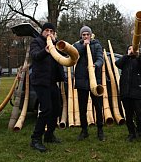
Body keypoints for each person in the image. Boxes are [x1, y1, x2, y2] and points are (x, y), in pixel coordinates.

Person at [30, 23, 65, 152]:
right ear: (42, 32)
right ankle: (35, 139)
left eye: (51, 31)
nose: (49, 33)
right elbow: (35, 56)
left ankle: (49, 135)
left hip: (51, 82)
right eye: (46, 30)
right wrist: (46, 49)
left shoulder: (55, 44)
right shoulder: (36, 42)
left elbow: (63, 58)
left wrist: (57, 46)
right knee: (46, 109)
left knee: (56, 108)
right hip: (40, 81)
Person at [73, 25, 105, 141]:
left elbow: (100, 59)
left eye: (87, 34)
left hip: (95, 80)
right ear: (81, 36)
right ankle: (84, 130)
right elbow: (74, 56)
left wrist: (95, 65)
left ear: (91, 35)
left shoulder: (97, 45)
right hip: (82, 80)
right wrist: (83, 46)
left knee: (98, 106)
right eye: (83, 35)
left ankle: (100, 130)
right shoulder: (76, 45)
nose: (86, 36)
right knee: (82, 107)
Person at [115, 45, 141, 144]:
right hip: (125, 92)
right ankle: (131, 133)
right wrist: (127, 55)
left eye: (133, 49)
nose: (132, 50)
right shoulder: (125, 60)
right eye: (130, 49)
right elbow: (117, 63)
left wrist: (137, 56)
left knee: (140, 114)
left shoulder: (139, 60)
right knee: (129, 115)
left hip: (137, 92)